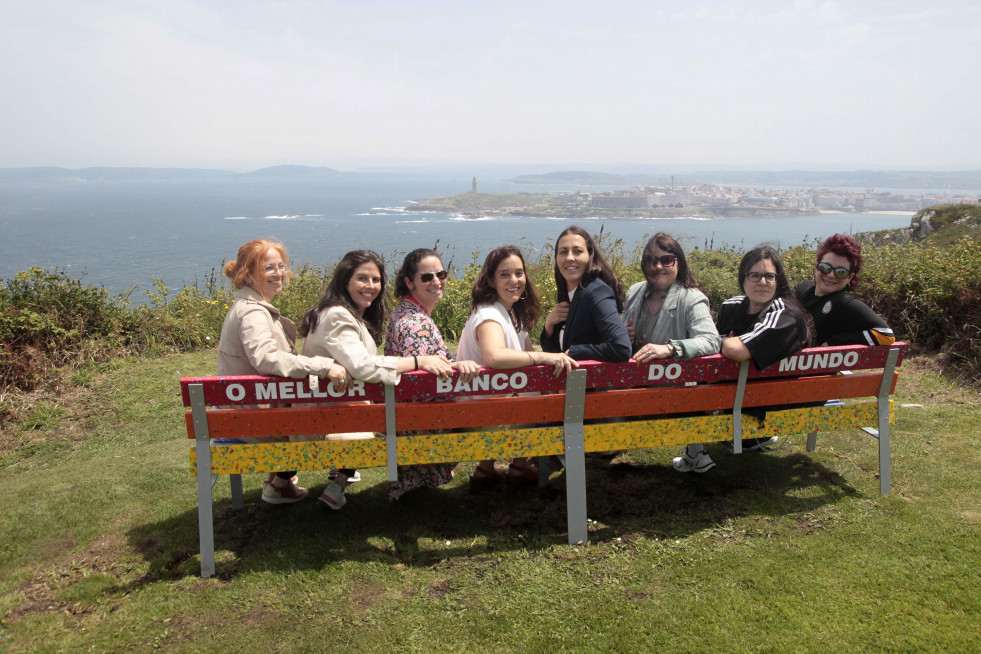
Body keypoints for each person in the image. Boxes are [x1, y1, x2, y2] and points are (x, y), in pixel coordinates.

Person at [299, 250, 456, 510]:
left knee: (384, 413)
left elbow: (358, 365)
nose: (370, 286)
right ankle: (338, 480)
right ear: (345, 281)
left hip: (336, 409)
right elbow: (363, 366)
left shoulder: (339, 313)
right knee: (409, 417)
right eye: (362, 278)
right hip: (328, 419)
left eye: (375, 279)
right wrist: (419, 361)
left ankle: (335, 482)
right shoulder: (338, 316)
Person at [217, 238, 348, 505]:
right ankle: (339, 476)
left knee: (306, 409)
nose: (279, 273)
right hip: (256, 421)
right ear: (247, 273)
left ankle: (279, 483)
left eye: (281, 266)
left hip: (244, 411)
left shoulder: (246, 306)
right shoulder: (253, 313)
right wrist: (322, 366)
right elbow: (265, 358)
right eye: (269, 268)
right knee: (338, 417)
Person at [673, 245, 813, 474]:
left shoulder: (784, 312)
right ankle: (698, 451)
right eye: (755, 275)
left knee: (691, 386)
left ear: (779, 281)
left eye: (769, 276)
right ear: (743, 279)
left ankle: (695, 452)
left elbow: (735, 350)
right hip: (740, 394)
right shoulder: (732, 306)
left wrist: (720, 341)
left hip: (769, 402)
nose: (763, 282)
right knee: (695, 379)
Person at [456, 245, 578, 489]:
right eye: (504, 274)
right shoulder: (489, 316)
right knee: (543, 399)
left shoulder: (511, 314)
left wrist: (548, 334)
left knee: (531, 392)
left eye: (519, 273)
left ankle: (487, 469)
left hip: (487, 407)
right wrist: (543, 358)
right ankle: (520, 465)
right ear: (490, 280)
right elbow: (495, 357)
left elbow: (526, 353)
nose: (514, 280)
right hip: (483, 416)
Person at [384, 248, 480, 501]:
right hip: (422, 424)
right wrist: (457, 368)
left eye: (441, 274)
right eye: (427, 277)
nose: (436, 281)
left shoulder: (402, 313)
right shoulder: (417, 324)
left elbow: (429, 367)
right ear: (409, 282)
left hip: (406, 420)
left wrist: (452, 364)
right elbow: (429, 383)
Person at [623, 232, 722, 363]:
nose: (658, 266)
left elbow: (711, 340)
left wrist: (670, 348)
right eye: (651, 260)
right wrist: (623, 337)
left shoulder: (691, 299)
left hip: (671, 380)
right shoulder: (634, 292)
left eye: (667, 260)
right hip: (632, 378)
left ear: (678, 263)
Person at [540, 226, 631, 362]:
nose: (570, 258)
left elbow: (621, 347)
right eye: (563, 252)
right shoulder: (569, 295)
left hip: (595, 382)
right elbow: (557, 356)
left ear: (589, 255)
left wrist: (576, 352)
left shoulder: (596, 292)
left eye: (577, 251)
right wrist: (549, 327)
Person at [794, 233, 895, 346]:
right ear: (816, 268)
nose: (831, 275)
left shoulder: (844, 302)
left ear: (849, 278)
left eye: (840, 272)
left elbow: (886, 335)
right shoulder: (802, 289)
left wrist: (832, 343)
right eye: (825, 268)